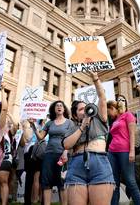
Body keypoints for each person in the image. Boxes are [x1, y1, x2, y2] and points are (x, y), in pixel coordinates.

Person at [62, 71, 114, 205]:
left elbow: (102, 98)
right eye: (80, 109)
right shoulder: (72, 127)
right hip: (77, 165)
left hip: (99, 163)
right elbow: (67, 145)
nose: (85, 110)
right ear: (74, 115)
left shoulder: (100, 119)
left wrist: (96, 79)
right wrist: (82, 126)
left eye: (86, 108)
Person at [29, 100, 74, 205]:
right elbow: (40, 137)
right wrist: (33, 126)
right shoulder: (49, 123)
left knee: (62, 182)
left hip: (62, 155)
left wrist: (65, 152)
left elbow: (71, 139)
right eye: (56, 106)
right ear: (54, 109)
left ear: (64, 109)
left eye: (61, 105)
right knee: (46, 182)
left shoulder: (69, 122)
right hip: (48, 155)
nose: (59, 107)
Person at [107, 99, 140, 205]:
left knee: (130, 181)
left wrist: (132, 151)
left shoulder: (128, 115)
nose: (108, 115)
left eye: (108, 111)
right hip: (112, 152)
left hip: (125, 151)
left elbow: (132, 134)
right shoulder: (114, 120)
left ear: (112, 108)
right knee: (114, 183)